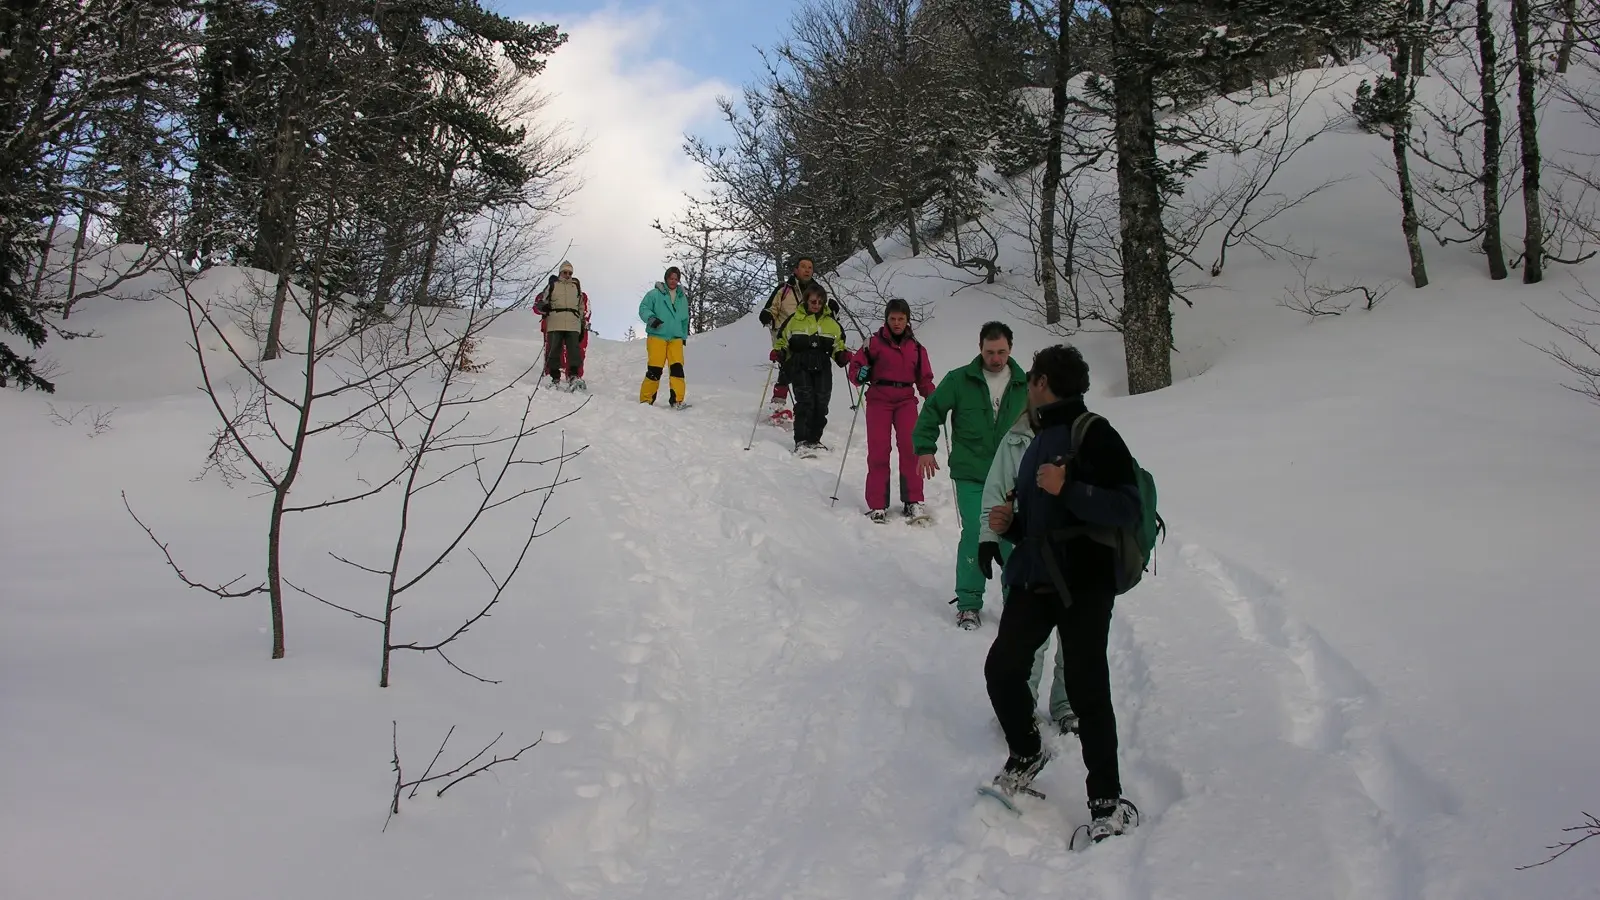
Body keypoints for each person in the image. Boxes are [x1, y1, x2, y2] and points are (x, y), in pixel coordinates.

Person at [983, 344, 1141, 845]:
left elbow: (1127, 509)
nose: (1026, 388)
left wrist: (1068, 489)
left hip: (1085, 582)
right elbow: (1039, 521)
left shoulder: (1094, 433)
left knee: (1089, 690)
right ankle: (1028, 751)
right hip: (1036, 577)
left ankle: (1107, 803)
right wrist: (1010, 526)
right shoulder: (1037, 440)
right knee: (1003, 667)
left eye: (1030, 380)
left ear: (1043, 383)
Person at [911, 321, 1029, 630]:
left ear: (1010, 349)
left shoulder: (1024, 384)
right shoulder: (960, 380)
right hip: (972, 474)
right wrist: (925, 448)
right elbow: (932, 411)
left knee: (1011, 537)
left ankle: (1014, 602)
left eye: (1002, 351)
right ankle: (968, 603)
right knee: (978, 533)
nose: (996, 358)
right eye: (990, 352)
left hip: (1013, 478)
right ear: (980, 349)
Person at [977, 408, 1076, 735]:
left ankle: (1068, 704)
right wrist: (988, 536)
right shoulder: (1015, 439)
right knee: (1027, 639)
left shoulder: (1086, 435)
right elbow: (996, 487)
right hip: (1030, 547)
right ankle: (1023, 705)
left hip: (1078, 552)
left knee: (1073, 637)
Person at [847, 298, 935, 524]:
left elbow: (924, 378)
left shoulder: (916, 347)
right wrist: (860, 374)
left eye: (901, 319)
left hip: (906, 399)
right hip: (879, 398)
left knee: (910, 448)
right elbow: (854, 368)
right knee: (878, 450)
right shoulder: (873, 343)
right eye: (893, 318)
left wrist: (934, 399)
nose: (897, 323)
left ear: (907, 321)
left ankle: (913, 500)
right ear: (887, 319)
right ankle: (877, 504)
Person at [759, 257, 837, 428]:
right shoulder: (784, 290)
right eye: (803, 267)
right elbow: (772, 307)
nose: (807, 270)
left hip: (810, 339)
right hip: (786, 336)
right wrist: (768, 315)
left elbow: (824, 312)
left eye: (810, 267)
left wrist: (833, 312)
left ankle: (806, 409)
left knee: (807, 375)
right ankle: (777, 406)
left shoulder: (818, 291)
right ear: (795, 270)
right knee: (786, 369)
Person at [773, 283, 848, 456]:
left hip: (822, 365)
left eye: (820, 302)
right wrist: (780, 351)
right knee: (805, 401)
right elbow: (783, 340)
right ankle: (802, 440)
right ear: (806, 301)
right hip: (800, 363)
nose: (816, 305)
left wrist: (841, 355)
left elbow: (838, 345)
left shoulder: (831, 323)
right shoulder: (793, 320)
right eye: (813, 301)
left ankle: (815, 439)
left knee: (821, 402)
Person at [637, 266, 692, 409]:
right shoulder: (654, 294)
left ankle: (677, 400)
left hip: (676, 338)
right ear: (666, 278)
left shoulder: (682, 298)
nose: (673, 281)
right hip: (657, 336)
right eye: (671, 278)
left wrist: (683, 335)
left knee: (677, 369)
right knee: (655, 368)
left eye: (676, 279)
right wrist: (651, 319)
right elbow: (643, 308)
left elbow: (685, 318)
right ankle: (646, 399)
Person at [533, 260, 590, 391]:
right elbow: (542, 301)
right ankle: (554, 376)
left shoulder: (575, 287)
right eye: (565, 272)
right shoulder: (553, 285)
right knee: (554, 350)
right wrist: (543, 307)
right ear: (560, 272)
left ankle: (574, 375)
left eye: (570, 273)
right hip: (555, 321)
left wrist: (581, 323)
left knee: (574, 351)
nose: (567, 275)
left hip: (572, 323)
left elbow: (581, 306)